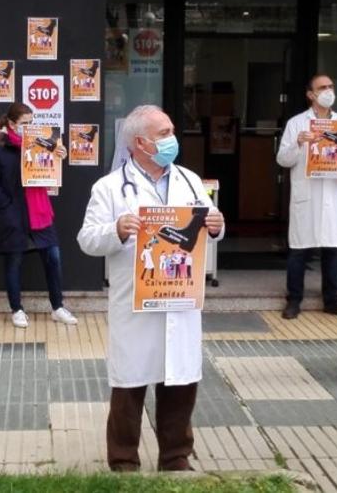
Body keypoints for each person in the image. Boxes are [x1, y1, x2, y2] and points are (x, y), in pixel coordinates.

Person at [77, 105, 225, 472]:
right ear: (140, 142)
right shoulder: (110, 188)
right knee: (130, 381)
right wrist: (116, 229)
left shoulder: (190, 181)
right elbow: (86, 239)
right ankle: (124, 459)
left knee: (180, 379)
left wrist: (218, 225)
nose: (172, 138)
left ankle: (176, 457)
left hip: (180, 296)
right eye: (164, 133)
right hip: (136, 300)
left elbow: (208, 227)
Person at [0, 103, 78, 329]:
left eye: (32, 123)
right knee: (14, 261)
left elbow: (50, 171)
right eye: (25, 123)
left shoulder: (43, 144)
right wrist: (6, 205)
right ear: (13, 124)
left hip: (39, 209)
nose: (30, 127)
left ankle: (57, 307)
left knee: (53, 258)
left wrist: (58, 155)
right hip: (14, 212)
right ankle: (16, 309)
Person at [275, 74, 337, 319]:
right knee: (299, 250)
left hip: (333, 192)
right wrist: (298, 144)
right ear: (310, 94)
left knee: (332, 250)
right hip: (307, 194)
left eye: (331, 86)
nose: (328, 91)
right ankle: (294, 300)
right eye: (322, 88)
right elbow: (283, 159)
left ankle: (332, 300)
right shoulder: (297, 124)